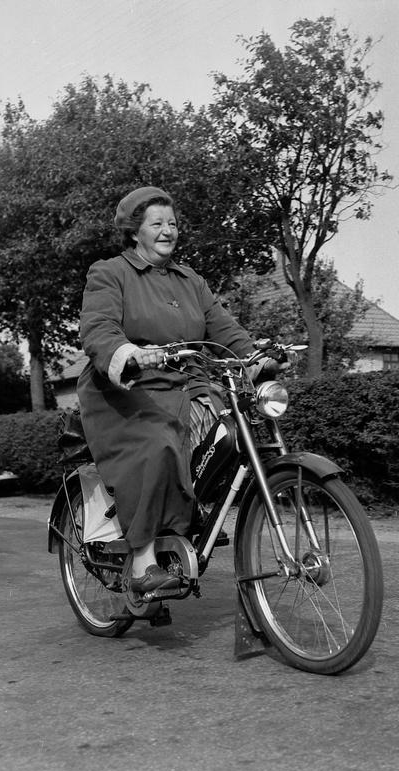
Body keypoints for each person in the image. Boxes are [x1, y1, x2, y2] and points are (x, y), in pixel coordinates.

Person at [77, 186, 277, 593]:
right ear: (136, 232)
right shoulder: (110, 272)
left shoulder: (191, 281)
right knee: (157, 445)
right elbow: (98, 327)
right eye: (157, 223)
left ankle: (190, 515)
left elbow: (223, 328)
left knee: (232, 434)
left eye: (172, 223)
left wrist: (258, 355)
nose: (168, 231)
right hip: (127, 392)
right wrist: (127, 353)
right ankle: (142, 561)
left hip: (187, 387)